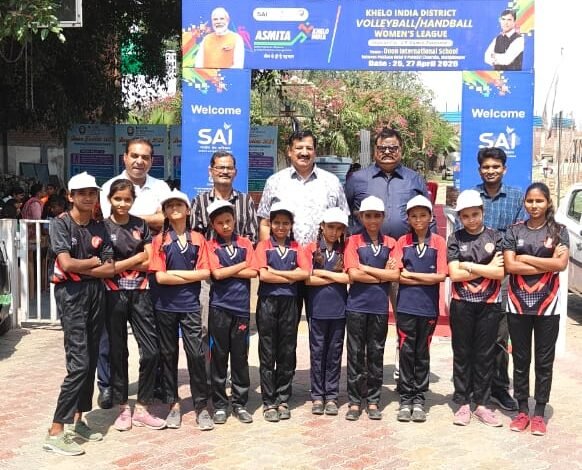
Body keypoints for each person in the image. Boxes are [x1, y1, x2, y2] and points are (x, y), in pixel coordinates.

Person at [345, 127, 433, 382]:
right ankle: (363, 375)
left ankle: (403, 369)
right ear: (375, 150)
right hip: (365, 260)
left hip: (403, 261)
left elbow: (428, 218)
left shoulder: (414, 180)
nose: (387, 152)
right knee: (365, 320)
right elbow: (345, 214)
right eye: (382, 148)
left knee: (405, 319)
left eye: (392, 148)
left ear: (401, 150)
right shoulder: (357, 179)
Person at [43, 172, 114, 456]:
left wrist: (86, 266)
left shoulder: (99, 226)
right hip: (71, 295)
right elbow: (66, 263)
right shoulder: (60, 224)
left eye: (92, 192)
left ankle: (77, 419)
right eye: (81, 192)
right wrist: (92, 263)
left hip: (96, 293)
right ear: (70, 196)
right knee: (80, 362)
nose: (87, 197)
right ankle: (55, 430)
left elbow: (110, 267)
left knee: (92, 357)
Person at [98, 138, 171, 409]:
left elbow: (165, 220)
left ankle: (153, 385)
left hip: (147, 278)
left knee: (152, 337)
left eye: (145, 157)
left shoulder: (161, 187)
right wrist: (147, 218)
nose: (140, 161)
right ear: (125, 158)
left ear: (152, 160)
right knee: (111, 342)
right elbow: (110, 224)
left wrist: (137, 220)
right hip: (113, 283)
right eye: (135, 156)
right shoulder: (109, 186)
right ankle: (108, 387)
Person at [503, 182, 569, 436]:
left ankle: (539, 413)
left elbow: (561, 265)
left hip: (547, 305)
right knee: (520, 359)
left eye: (539, 201)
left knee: (544, 361)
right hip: (517, 304)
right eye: (530, 201)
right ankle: (522, 410)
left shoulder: (559, 231)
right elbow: (510, 266)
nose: (534, 205)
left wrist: (526, 258)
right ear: (524, 203)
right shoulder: (514, 230)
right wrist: (547, 261)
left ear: (548, 202)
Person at [148, 189, 214, 431]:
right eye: (170, 205)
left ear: (187, 210)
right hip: (164, 306)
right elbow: (160, 278)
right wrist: (188, 275)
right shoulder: (160, 240)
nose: (174, 208)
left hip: (190, 305)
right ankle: (173, 404)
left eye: (179, 204)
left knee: (196, 354)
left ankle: (201, 406)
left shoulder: (198, 239)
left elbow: (205, 272)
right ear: (165, 212)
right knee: (168, 355)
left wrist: (173, 274)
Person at [103, 179, 165, 432]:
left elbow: (150, 261)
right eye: (117, 198)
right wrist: (136, 257)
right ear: (110, 199)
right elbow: (106, 267)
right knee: (118, 352)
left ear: (133, 201)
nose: (122, 203)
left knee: (151, 351)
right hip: (113, 294)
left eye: (127, 199)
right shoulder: (103, 227)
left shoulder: (141, 225)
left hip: (141, 293)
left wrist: (123, 263)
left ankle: (142, 407)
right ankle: (122, 408)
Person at [473, 146, 526, 412]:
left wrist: (497, 257)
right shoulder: (472, 196)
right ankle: (473, 387)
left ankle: (499, 388)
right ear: (479, 170)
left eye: (496, 166)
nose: (490, 171)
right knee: (473, 333)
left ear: (504, 169)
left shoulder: (516, 197)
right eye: (486, 167)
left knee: (500, 335)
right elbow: (462, 232)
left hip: (504, 274)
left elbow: (519, 235)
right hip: (473, 273)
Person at [447, 190, 505, 428]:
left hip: (489, 305)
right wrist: (485, 267)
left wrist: (468, 265)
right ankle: (462, 402)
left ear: (482, 212)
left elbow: (499, 273)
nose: (471, 220)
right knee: (462, 353)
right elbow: (454, 274)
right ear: (460, 217)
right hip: (461, 304)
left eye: (475, 214)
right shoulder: (455, 238)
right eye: (465, 216)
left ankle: (481, 403)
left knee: (485, 355)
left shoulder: (495, 237)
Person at [343, 196, 399, 422]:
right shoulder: (353, 241)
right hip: (356, 306)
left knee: (376, 353)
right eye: (368, 216)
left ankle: (374, 400)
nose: (373, 220)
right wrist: (382, 274)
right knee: (355, 354)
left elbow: (394, 274)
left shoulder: (391, 243)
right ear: (361, 217)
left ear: (383, 217)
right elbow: (353, 274)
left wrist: (365, 269)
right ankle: (355, 401)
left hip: (379, 308)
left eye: (377, 216)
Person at [392, 195, 447, 423]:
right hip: (406, 306)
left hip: (428, 308)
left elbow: (441, 275)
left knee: (422, 353)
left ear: (431, 217)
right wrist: (425, 277)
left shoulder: (439, 242)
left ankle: (419, 399)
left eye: (423, 215)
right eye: (414, 216)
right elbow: (397, 275)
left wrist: (411, 275)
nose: (418, 219)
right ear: (408, 218)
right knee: (406, 352)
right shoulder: (402, 242)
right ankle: (405, 399)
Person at [255, 202, 310, 422]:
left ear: (291, 225)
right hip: (267, 302)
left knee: (287, 350)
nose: (281, 227)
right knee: (267, 351)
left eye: (285, 223)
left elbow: (304, 273)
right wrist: (290, 275)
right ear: (270, 224)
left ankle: (283, 398)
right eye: (277, 222)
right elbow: (263, 275)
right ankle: (269, 401)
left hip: (290, 303)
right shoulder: (263, 246)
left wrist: (276, 273)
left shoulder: (296, 247)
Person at [206, 200, 257, 425]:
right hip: (219, 308)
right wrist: (241, 265)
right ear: (213, 225)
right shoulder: (210, 245)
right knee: (218, 357)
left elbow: (254, 271)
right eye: (220, 223)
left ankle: (239, 403)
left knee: (240, 357)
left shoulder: (245, 243)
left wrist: (229, 270)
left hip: (241, 309)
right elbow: (216, 274)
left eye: (228, 221)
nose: (225, 226)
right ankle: (219, 405)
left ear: (234, 220)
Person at [257, 130, 349, 246]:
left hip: (322, 255)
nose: (304, 153)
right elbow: (265, 224)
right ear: (289, 151)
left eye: (309, 148)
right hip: (284, 254)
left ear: (315, 152)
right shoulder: (274, 182)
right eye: (299, 148)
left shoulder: (332, 182)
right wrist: (268, 253)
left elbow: (343, 222)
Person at [304, 207, 350, 416]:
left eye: (339, 228)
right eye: (330, 227)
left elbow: (348, 277)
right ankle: (317, 395)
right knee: (317, 353)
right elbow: (307, 279)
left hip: (339, 310)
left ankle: (331, 396)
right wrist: (334, 276)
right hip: (317, 310)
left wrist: (322, 274)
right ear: (322, 226)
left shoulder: (345, 250)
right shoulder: (311, 249)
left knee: (334, 354)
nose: (334, 232)